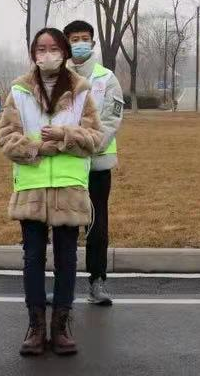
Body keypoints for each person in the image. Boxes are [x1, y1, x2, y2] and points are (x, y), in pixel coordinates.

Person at [0, 28, 103, 357]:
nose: (47, 54)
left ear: (64, 52)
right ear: (33, 54)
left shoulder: (81, 91)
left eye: (53, 48)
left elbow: (95, 138)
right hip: (31, 187)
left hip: (69, 187)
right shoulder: (19, 90)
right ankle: (35, 326)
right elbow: (6, 140)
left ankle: (60, 326)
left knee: (67, 259)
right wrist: (40, 148)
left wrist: (64, 135)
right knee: (32, 258)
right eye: (41, 49)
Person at [63, 20, 124, 307]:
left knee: (97, 226)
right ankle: (63, 285)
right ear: (67, 44)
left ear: (93, 42)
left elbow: (112, 119)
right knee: (64, 226)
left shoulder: (106, 78)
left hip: (97, 165)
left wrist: (88, 145)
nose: (80, 43)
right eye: (74, 39)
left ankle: (97, 281)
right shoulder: (57, 78)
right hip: (65, 165)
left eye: (84, 38)